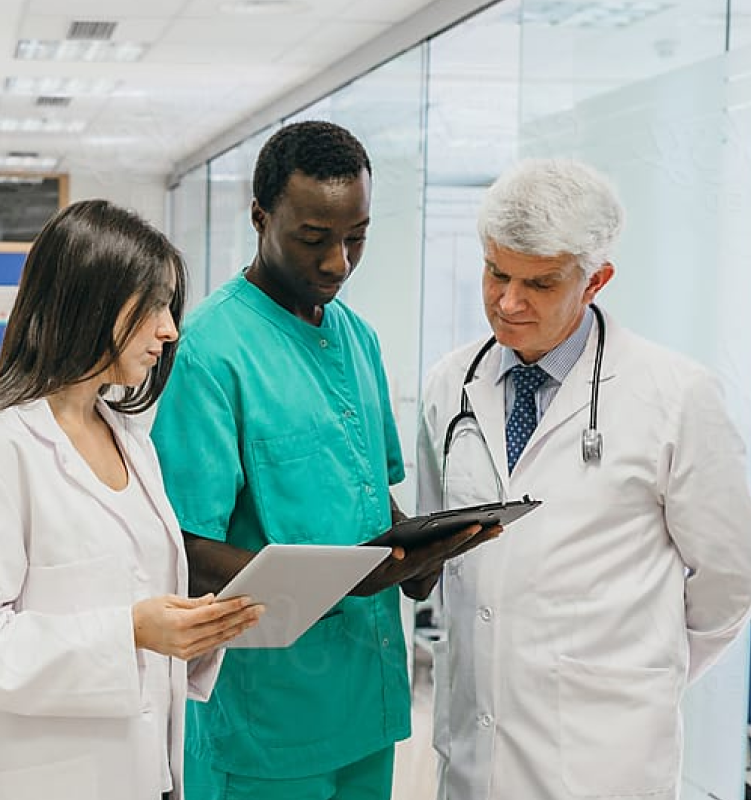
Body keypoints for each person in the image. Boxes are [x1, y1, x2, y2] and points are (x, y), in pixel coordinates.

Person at [150, 120, 495, 800]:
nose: (338, 261)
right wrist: (342, 580)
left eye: (356, 236)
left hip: (365, 705)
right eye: (314, 239)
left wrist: (423, 554)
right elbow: (183, 546)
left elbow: (370, 500)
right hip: (265, 721)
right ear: (260, 218)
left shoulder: (357, 339)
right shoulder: (209, 352)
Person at [415, 158, 751, 800]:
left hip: (607, 758)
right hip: (474, 746)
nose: (508, 301)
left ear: (595, 280)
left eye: (540, 283)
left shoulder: (675, 395)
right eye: (496, 272)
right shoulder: (451, 385)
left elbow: (735, 573)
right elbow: (441, 550)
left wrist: (640, 667)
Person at [0, 199, 263, 800]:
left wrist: (196, 630)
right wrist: (130, 631)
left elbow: (141, 614)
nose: (170, 329)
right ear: (91, 301)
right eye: (153, 305)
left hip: (147, 776)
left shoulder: (133, 444)